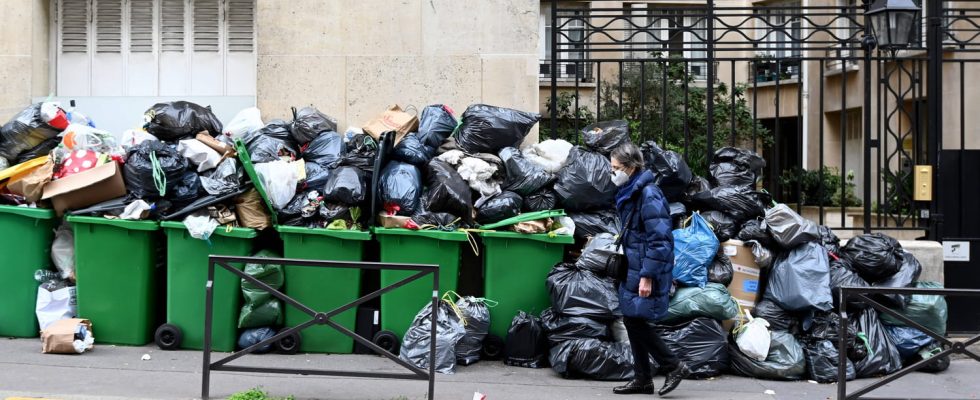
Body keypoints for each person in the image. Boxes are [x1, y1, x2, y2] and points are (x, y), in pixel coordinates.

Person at [609, 143, 690, 396]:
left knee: (634, 320)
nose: (613, 173)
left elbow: (660, 240)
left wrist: (647, 276)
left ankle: (673, 365)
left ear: (631, 167)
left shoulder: (649, 194)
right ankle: (643, 378)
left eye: (616, 168)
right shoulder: (632, 190)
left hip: (645, 267)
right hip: (634, 264)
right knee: (632, 318)